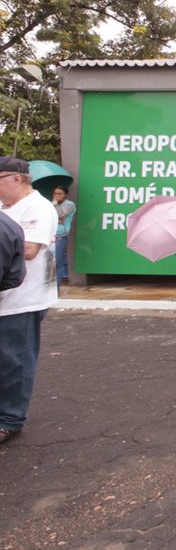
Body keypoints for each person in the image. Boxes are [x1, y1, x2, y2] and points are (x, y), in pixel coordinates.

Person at [0, 156, 58, 444]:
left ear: (15, 179)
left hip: (24, 298)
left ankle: (10, 419)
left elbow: (30, 249)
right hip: (4, 297)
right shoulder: (4, 208)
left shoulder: (39, 207)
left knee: (15, 360)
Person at [51, 186, 75, 291]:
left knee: (58, 263)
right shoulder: (50, 204)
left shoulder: (70, 204)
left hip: (61, 236)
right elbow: (48, 216)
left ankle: (56, 289)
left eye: (60, 194)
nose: (56, 196)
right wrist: (57, 218)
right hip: (49, 235)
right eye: (55, 193)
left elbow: (61, 214)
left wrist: (55, 205)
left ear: (66, 195)